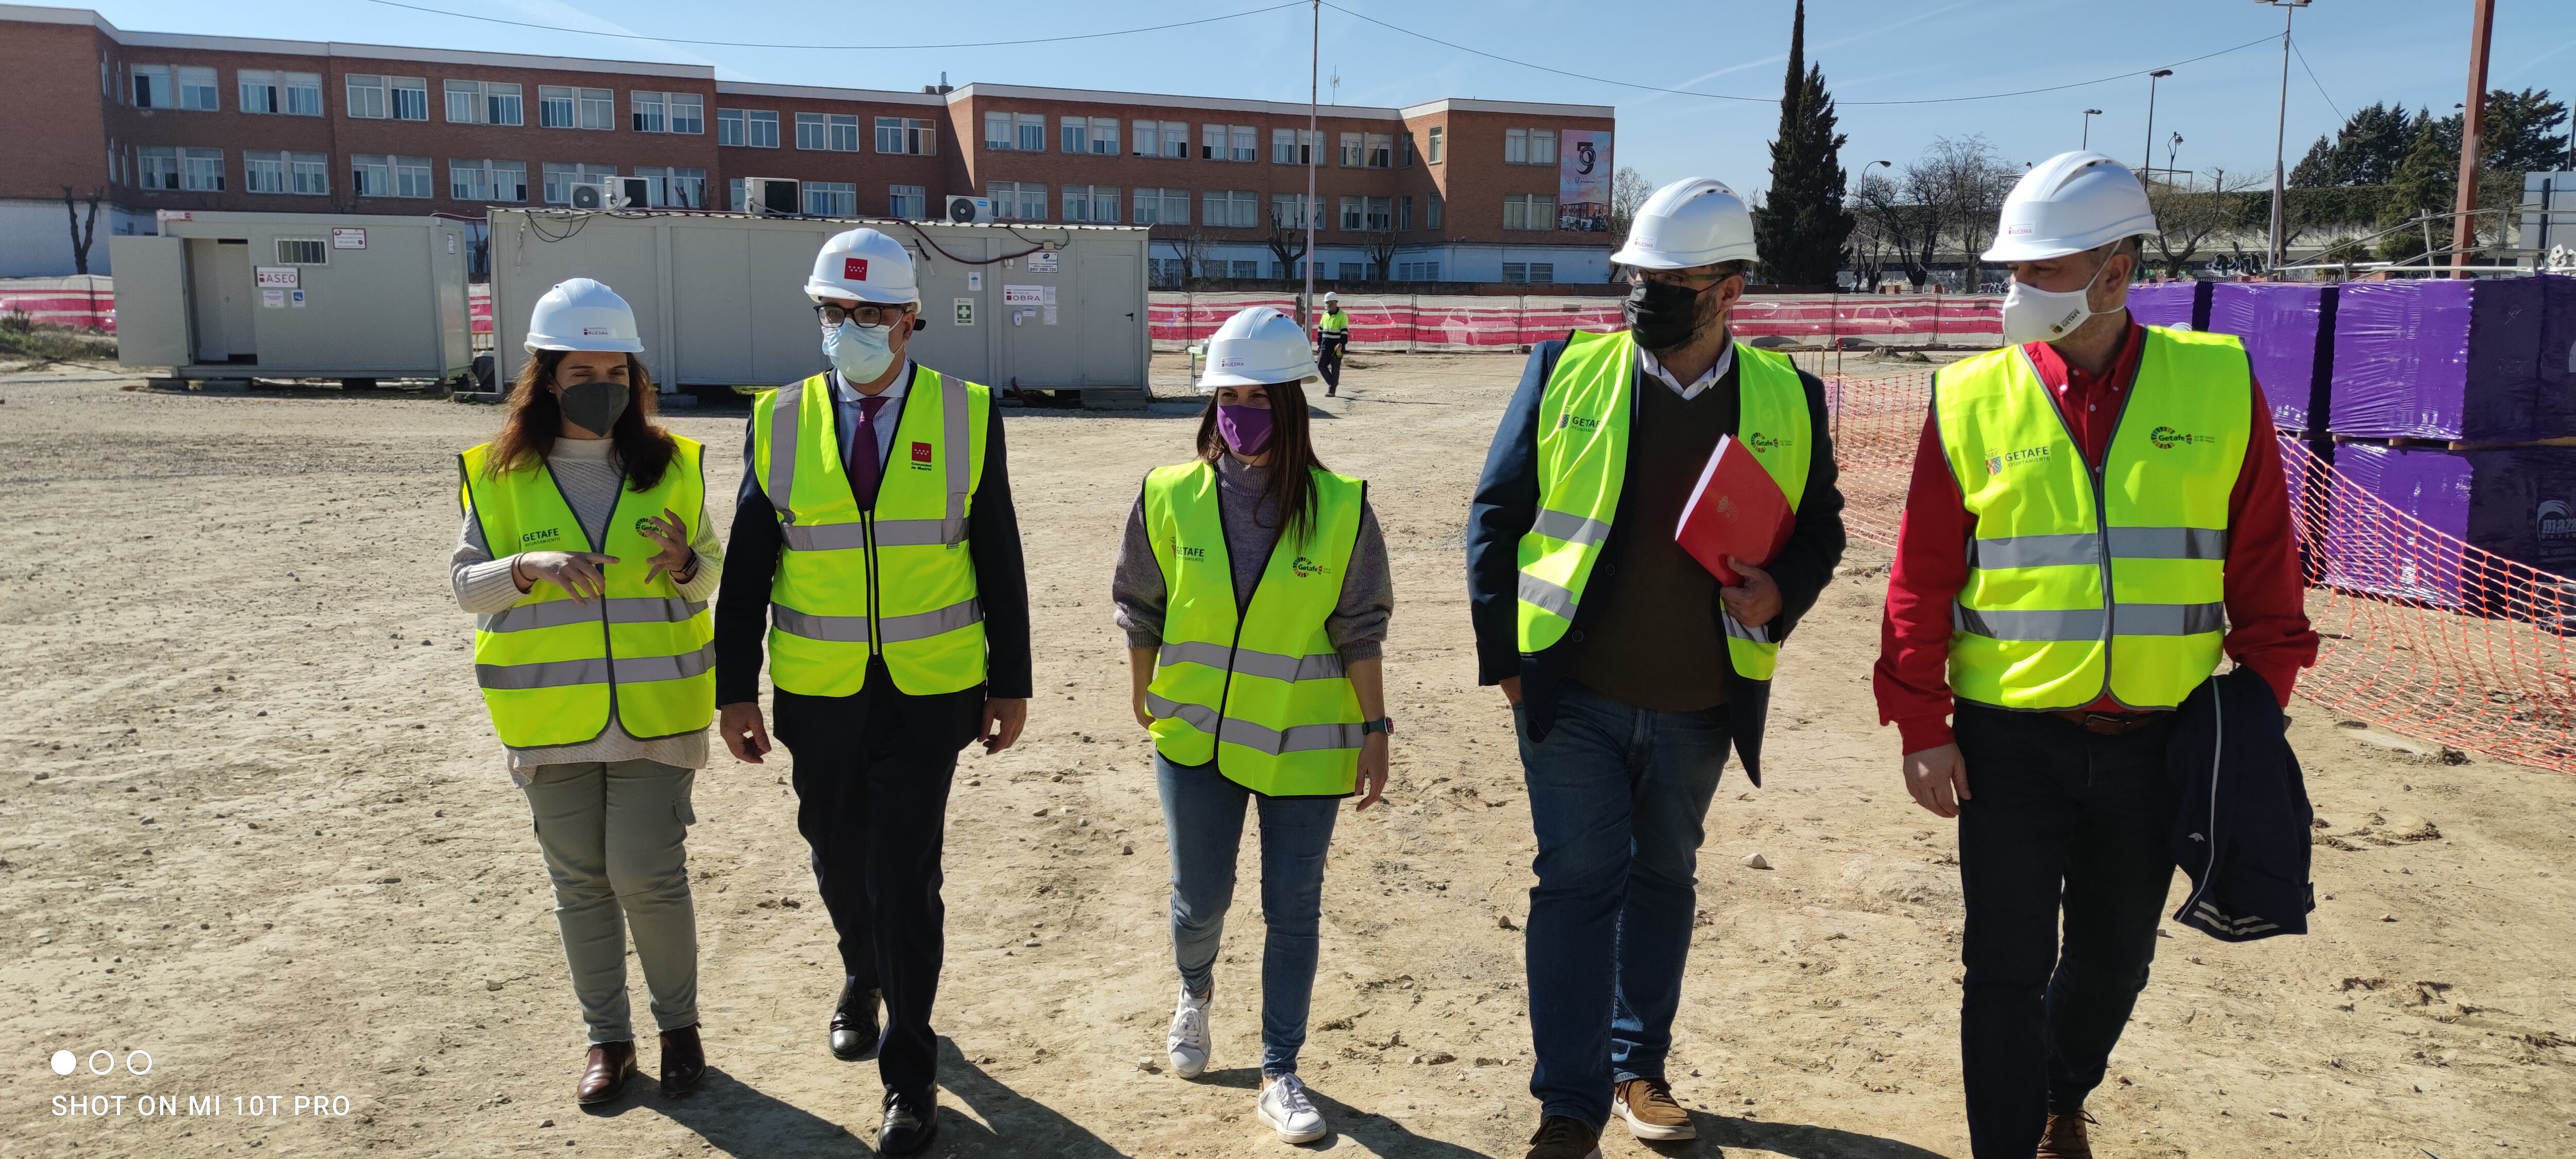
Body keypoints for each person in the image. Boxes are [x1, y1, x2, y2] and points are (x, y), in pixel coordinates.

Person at [1870, 152, 2317, 1159]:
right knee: (2003, 968)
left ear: (2115, 273)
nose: (2015, 290)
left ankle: (2060, 1096)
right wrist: (1918, 724)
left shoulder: (2213, 383)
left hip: (2155, 746)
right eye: (2012, 268)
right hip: (2008, 745)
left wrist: (2257, 707)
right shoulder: (1969, 400)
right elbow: (1920, 578)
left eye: (2043, 269)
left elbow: (2262, 560)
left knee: (2116, 961)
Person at [1466, 178, 1849, 1159]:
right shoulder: (1566, 373)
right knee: (1578, 883)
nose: (1646, 297)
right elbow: (1495, 518)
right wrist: (1506, 659)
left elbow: (1822, 531)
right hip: (1574, 696)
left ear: (1730, 292)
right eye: (1637, 277)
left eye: (1672, 281)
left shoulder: (1789, 397)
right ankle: (1570, 1106)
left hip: (1698, 704)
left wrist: (1782, 593)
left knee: (1665, 879)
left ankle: (1641, 1070)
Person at [710, 228, 1031, 1156]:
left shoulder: (968, 412)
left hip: (930, 693)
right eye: (836, 313)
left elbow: (996, 551)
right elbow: (747, 570)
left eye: (873, 314)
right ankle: (862, 972)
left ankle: (912, 1075)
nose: (853, 329)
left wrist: (1010, 681)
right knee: (836, 854)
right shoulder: (777, 418)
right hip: (819, 690)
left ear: (911, 320)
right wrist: (736, 690)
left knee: (905, 878)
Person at [1112, 306, 1395, 1145]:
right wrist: (1142, 687)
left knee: (1293, 909)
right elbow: (1139, 601)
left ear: (1293, 406)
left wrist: (1375, 727)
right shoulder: (1168, 495)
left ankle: (1282, 1069)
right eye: (1229, 397)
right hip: (1194, 738)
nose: (1243, 414)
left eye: (1261, 399)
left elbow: (1360, 627)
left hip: (1301, 744)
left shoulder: (1341, 508)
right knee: (1200, 899)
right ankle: (1194, 993)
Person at [450, 278, 722, 1106]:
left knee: (645, 868)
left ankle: (680, 1027)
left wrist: (684, 564)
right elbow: (467, 587)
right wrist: (525, 570)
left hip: (657, 709)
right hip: (548, 714)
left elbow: (709, 572)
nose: (601, 385)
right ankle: (609, 1041)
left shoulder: (675, 463)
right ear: (547, 377)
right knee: (579, 881)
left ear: (636, 378)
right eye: (582, 370)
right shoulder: (496, 474)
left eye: (616, 369)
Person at [1314, 292, 1349, 397]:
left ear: (1333, 303)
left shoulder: (1342, 316)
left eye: (1328, 303)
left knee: (1335, 368)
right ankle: (1333, 383)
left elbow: (1344, 332)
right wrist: (1320, 344)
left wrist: (1342, 344)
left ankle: (1332, 390)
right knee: (1321, 366)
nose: (1326, 305)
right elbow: (1320, 331)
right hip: (1325, 346)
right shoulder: (1325, 315)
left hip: (1337, 348)